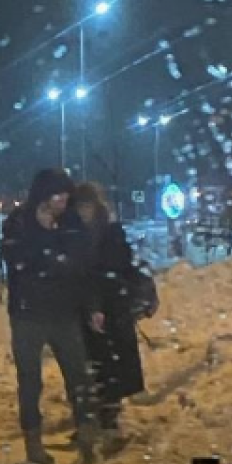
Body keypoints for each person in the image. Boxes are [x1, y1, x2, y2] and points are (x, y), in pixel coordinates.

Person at [1, 169, 104, 464]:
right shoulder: (19, 223)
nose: (63, 201)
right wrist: (52, 253)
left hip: (64, 312)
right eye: (57, 196)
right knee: (30, 381)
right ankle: (33, 443)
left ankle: (87, 437)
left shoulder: (71, 223)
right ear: (42, 196)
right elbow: (17, 261)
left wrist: (93, 306)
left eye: (66, 196)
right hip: (27, 314)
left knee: (79, 377)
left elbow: (85, 268)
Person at [71, 183, 146, 433]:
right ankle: (95, 420)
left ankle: (109, 420)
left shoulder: (110, 232)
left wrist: (102, 302)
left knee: (111, 366)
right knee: (94, 366)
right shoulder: (76, 234)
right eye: (79, 206)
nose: (83, 211)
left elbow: (115, 268)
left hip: (111, 308)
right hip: (88, 308)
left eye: (87, 205)